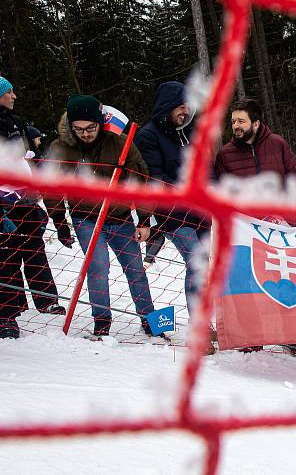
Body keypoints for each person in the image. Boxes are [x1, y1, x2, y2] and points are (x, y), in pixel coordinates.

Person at [45, 95, 157, 337]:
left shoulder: (119, 143)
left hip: (120, 217)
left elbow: (141, 179)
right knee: (98, 267)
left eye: (90, 128)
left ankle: (151, 320)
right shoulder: (61, 147)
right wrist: (60, 221)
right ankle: (102, 321)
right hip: (86, 218)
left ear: (99, 123)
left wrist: (145, 220)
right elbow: (52, 186)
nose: (85, 134)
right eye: (79, 129)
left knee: (135, 269)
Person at [213, 98, 296, 358]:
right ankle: (253, 336)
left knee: (285, 280)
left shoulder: (277, 144)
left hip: (281, 228)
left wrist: (295, 221)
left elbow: (293, 180)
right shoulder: (225, 155)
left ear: (256, 122)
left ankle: (292, 336)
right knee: (250, 282)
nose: (236, 126)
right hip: (246, 231)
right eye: (233, 121)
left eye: (241, 121)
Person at [135, 81, 209, 316]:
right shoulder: (148, 136)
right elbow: (155, 176)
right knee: (196, 262)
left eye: (187, 105)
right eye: (180, 106)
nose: (185, 110)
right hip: (173, 213)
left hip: (201, 212)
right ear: (168, 105)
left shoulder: (191, 131)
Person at [0, 76, 65, 339]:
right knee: (6, 257)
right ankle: (7, 313)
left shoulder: (17, 121)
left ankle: (46, 299)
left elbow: (32, 153)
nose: (14, 96)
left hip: (26, 199)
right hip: (4, 202)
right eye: (9, 92)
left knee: (35, 249)